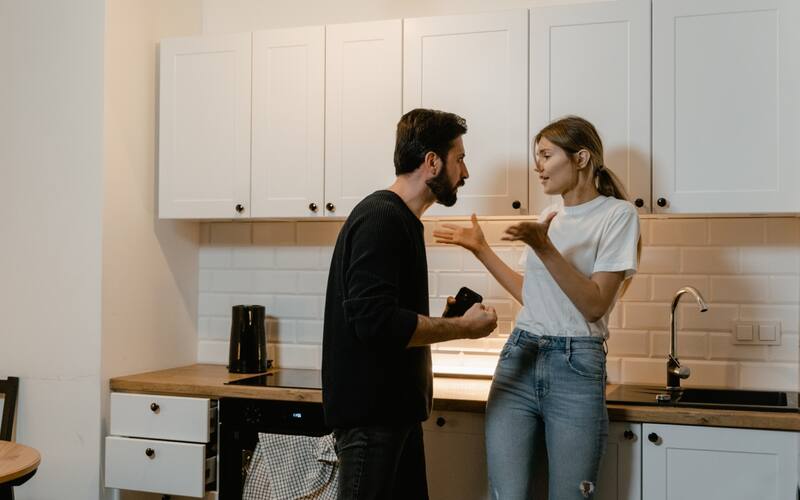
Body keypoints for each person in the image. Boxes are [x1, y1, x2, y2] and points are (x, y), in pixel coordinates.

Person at [434, 116, 640, 499]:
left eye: (546, 155)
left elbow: (594, 304)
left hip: (576, 367)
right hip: (520, 356)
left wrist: (544, 247)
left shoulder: (618, 215)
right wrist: (481, 248)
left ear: (580, 158)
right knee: (505, 494)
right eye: (537, 156)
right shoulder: (550, 217)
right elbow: (535, 296)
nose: (537, 166)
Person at [322, 108, 499, 500]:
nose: (465, 173)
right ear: (432, 162)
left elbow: (384, 322)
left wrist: (444, 322)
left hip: (393, 418)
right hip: (373, 422)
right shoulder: (382, 218)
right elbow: (374, 323)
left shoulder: (397, 219)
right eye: (460, 159)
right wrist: (462, 329)